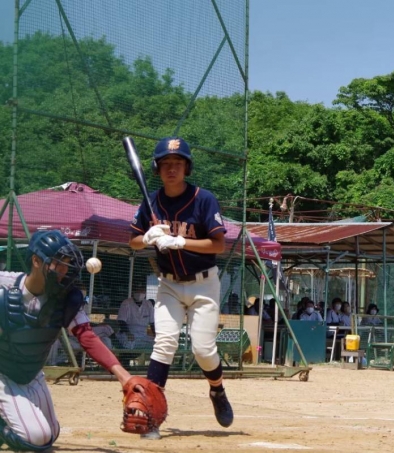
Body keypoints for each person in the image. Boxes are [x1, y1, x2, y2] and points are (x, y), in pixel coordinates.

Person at [129, 136, 233, 439]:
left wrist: (179, 241)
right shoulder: (151, 202)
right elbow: (133, 241)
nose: (171, 169)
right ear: (157, 169)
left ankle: (217, 390)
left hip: (204, 284)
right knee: (164, 343)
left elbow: (219, 244)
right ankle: (151, 416)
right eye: (165, 164)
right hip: (169, 285)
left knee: (203, 350)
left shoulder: (203, 199)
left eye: (177, 163)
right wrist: (148, 237)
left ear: (187, 168)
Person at [0, 230, 132, 450]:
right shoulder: (5, 287)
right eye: (58, 264)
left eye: (67, 264)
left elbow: (86, 336)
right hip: (4, 374)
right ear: (36, 261)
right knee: (36, 437)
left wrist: (124, 376)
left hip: (32, 375)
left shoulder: (65, 298)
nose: (64, 271)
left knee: (50, 435)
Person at [117, 285, 155, 350]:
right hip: (128, 334)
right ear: (133, 292)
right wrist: (128, 334)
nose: (140, 292)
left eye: (142, 290)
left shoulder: (148, 304)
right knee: (129, 344)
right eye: (137, 290)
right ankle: (125, 356)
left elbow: (152, 323)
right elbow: (121, 321)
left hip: (143, 335)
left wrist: (156, 335)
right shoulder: (126, 303)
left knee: (157, 344)